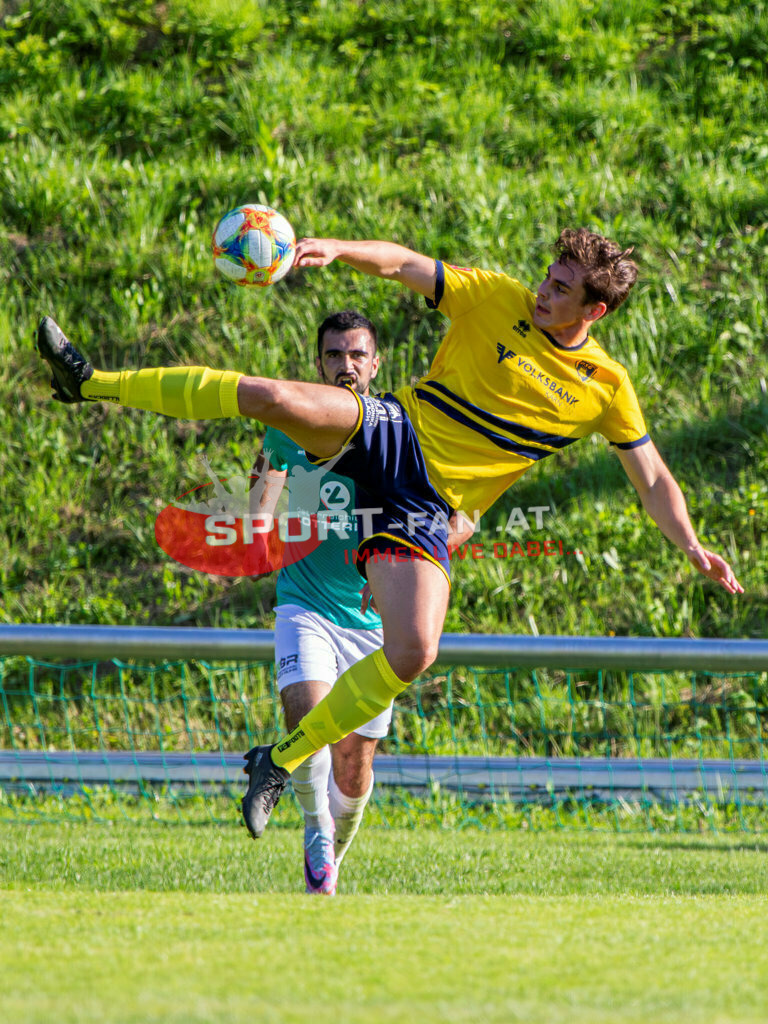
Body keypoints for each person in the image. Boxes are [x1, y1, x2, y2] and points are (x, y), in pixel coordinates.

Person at [35, 226, 743, 845]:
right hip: (392, 432)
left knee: (413, 649)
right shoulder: (494, 296)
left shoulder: (605, 386)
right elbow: (405, 264)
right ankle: (90, 381)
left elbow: (651, 476)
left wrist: (689, 545)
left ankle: (277, 762)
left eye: (560, 290)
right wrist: (339, 250)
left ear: (597, 309)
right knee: (275, 399)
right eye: (546, 277)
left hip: (428, 508)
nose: (541, 292)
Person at [252, 309, 387, 895]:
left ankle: (335, 850)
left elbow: (454, 516)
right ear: (319, 363)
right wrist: (258, 527)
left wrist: (402, 569)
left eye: (357, 355)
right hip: (303, 601)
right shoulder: (291, 425)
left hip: (372, 620)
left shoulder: (397, 431)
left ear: (375, 364)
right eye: (335, 355)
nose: (346, 366)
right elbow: (261, 502)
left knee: (354, 764)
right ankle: (316, 837)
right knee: (306, 720)